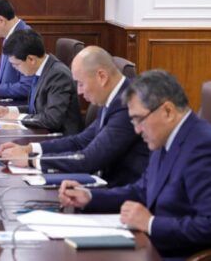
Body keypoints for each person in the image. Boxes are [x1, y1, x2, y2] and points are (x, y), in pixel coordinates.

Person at [59, 70, 211, 259]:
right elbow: (142, 190)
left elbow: (208, 224)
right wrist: (89, 197)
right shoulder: (164, 137)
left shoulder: (202, 146)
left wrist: (150, 223)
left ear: (168, 111)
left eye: (140, 119)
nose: (137, 130)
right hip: (148, 247)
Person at [0, 46, 149, 186]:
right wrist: (29, 148)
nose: (79, 92)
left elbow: (90, 159)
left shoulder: (128, 105)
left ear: (102, 76)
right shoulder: (115, 96)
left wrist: (31, 160)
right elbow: (80, 141)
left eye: (81, 83)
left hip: (122, 191)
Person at [0, 29, 83, 136]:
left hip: (60, 138)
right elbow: (37, 108)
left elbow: (51, 120)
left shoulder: (58, 75)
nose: (15, 68)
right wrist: (8, 111)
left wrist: (18, 117)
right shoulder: (42, 69)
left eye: (16, 64)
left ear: (31, 59)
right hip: (44, 133)